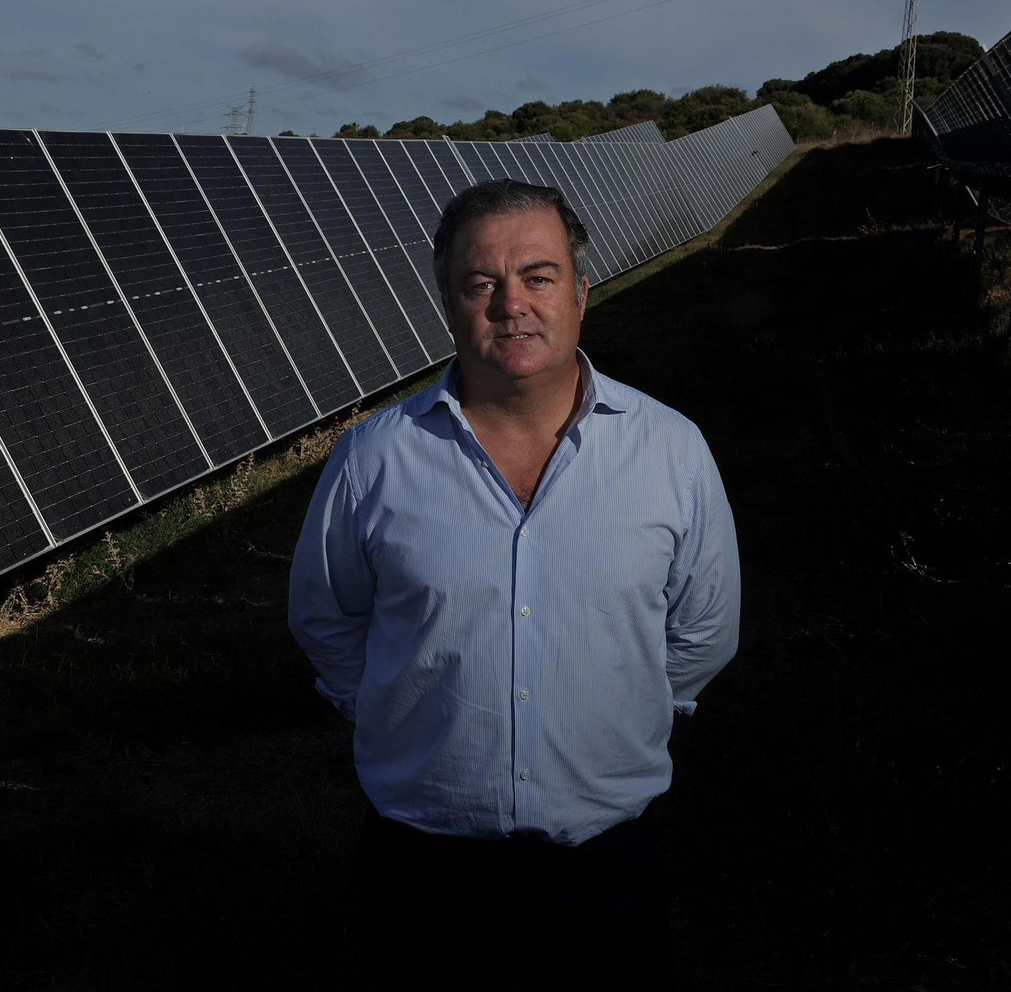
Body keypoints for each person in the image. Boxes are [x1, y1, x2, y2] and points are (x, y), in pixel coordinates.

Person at [288, 179, 740, 987]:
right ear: (448, 303)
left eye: (538, 275)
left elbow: (702, 629)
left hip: (608, 868)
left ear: (580, 292)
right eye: (481, 283)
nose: (511, 304)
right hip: (423, 871)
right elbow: (328, 619)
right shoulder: (373, 460)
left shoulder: (672, 451)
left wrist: (620, 714)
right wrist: (414, 714)